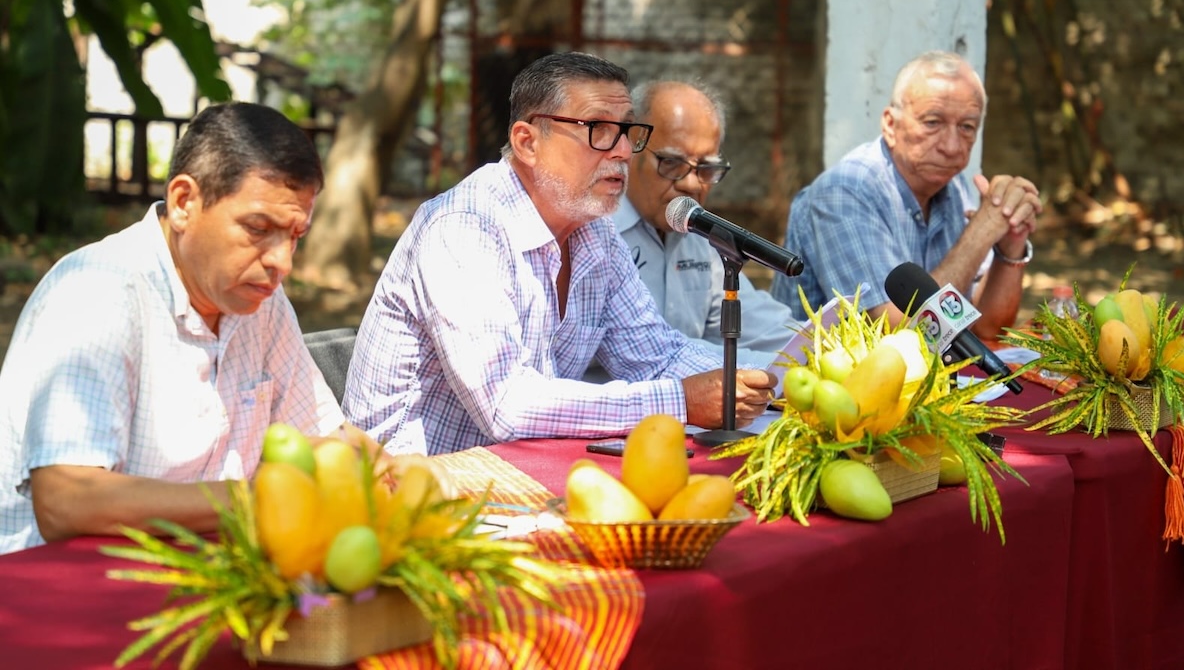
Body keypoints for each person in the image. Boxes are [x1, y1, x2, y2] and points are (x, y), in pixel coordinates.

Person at [343, 52, 777, 456]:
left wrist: (781, 382)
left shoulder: (595, 233)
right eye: (598, 130)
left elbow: (656, 356)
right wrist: (680, 401)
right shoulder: (464, 227)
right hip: (409, 492)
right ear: (528, 142)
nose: (623, 151)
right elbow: (506, 405)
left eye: (628, 131)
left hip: (519, 476)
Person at [0, 102, 349, 555]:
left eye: (295, 236)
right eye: (259, 228)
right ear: (185, 202)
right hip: (52, 592)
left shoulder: (261, 301)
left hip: (196, 576)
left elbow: (321, 437)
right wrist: (250, 501)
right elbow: (66, 501)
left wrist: (383, 471)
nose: (282, 262)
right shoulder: (97, 293)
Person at [770, 50, 1041, 341]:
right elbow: (901, 335)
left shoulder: (954, 186)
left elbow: (989, 329)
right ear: (890, 124)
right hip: (820, 381)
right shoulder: (845, 192)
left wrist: (1010, 247)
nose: (951, 146)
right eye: (932, 122)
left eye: (966, 127)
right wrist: (980, 233)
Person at [617, 79, 800, 371]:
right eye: (671, 164)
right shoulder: (597, 234)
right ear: (629, 149)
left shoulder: (698, 237)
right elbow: (655, 350)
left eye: (706, 169)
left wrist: (835, 349)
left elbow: (765, 326)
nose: (691, 184)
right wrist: (781, 369)